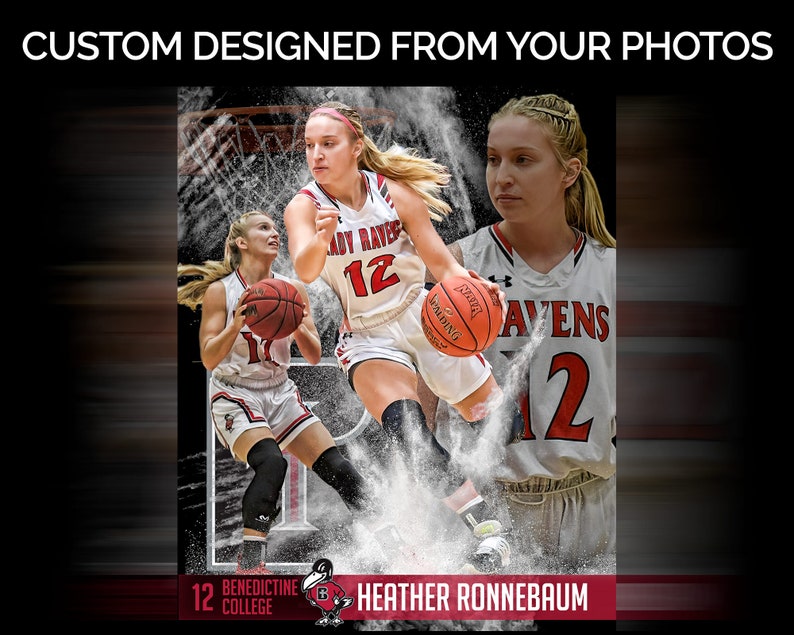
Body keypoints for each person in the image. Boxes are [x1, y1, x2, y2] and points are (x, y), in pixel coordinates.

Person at [283, 102, 525, 573]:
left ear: (356, 146)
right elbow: (305, 268)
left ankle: (488, 497)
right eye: (309, 145)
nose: (316, 155)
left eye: (328, 144)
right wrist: (322, 240)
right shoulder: (304, 207)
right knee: (410, 434)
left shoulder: (394, 193)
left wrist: (476, 288)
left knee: (503, 426)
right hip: (368, 336)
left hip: (424, 315)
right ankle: (491, 534)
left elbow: (442, 263)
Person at [425, 93, 616, 579]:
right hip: (489, 510)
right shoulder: (456, 266)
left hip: (596, 504)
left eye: (523, 160)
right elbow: (420, 411)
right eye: (494, 159)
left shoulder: (614, 271)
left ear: (569, 172)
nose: (502, 176)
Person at [177, 210, 400, 574]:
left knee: (339, 468)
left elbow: (312, 355)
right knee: (272, 462)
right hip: (235, 392)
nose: (274, 232)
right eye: (263, 227)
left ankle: (399, 550)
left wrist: (295, 322)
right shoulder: (222, 292)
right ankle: (250, 564)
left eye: (274, 227)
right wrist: (236, 325)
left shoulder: (292, 291)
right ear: (241, 242)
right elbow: (209, 358)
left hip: (280, 390)